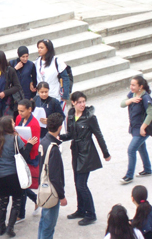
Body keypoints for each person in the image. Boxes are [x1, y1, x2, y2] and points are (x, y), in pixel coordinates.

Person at [59, 91, 111, 226]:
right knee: (77, 183)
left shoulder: (90, 117)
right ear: (74, 103)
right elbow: (71, 134)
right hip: (75, 152)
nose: (82, 104)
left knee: (82, 185)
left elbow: (99, 136)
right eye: (80, 102)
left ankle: (91, 213)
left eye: (84, 101)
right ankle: (81, 210)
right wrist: (60, 138)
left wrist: (106, 153)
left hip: (86, 153)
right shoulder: (70, 115)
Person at [0, 116, 37, 237]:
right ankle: (10, 228)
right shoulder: (15, 139)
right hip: (13, 175)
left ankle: (1, 227)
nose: (14, 123)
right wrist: (30, 144)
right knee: (16, 202)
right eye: (12, 122)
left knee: (3, 202)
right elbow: (24, 156)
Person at [38, 113, 67, 239]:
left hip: (44, 187)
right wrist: (62, 196)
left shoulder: (44, 141)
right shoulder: (53, 148)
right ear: (60, 127)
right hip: (52, 191)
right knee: (49, 226)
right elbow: (55, 176)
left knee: (43, 222)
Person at [120, 75, 152, 184]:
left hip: (141, 129)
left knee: (131, 149)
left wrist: (143, 127)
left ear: (141, 86)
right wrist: (131, 100)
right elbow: (122, 104)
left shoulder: (145, 98)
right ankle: (147, 169)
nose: (131, 87)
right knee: (141, 148)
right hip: (134, 128)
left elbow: (150, 114)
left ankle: (129, 176)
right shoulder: (132, 95)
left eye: (134, 85)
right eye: (131, 84)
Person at [15, 99, 41, 223]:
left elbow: (35, 145)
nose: (20, 113)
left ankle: (21, 213)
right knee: (22, 185)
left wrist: (20, 139)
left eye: (22, 111)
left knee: (23, 185)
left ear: (30, 110)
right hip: (21, 154)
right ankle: (36, 199)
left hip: (30, 156)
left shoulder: (35, 124)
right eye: (19, 111)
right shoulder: (18, 119)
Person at [35, 39, 70, 118]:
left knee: (55, 118)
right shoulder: (37, 61)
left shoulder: (56, 61)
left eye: (41, 48)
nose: (39, 50)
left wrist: (65, 95)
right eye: (38, 48)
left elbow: (65, 78)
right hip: (41, 96)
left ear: (48, 48)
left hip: (54, 94)